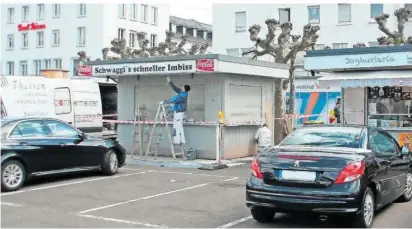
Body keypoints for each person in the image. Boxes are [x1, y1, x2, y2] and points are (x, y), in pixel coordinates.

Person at [159, 76, 191, 144]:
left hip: (179, 113)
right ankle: (182, 140)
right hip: (179, 112)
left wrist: (164, 102)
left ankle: (177, 140)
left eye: (183, 87)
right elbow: (175, 88)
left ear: (185, 89)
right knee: (180, 126)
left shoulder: (182, 96)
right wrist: (170, 82)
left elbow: (174, 100)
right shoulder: (182, 92)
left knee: (177, 126)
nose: (181, 88)